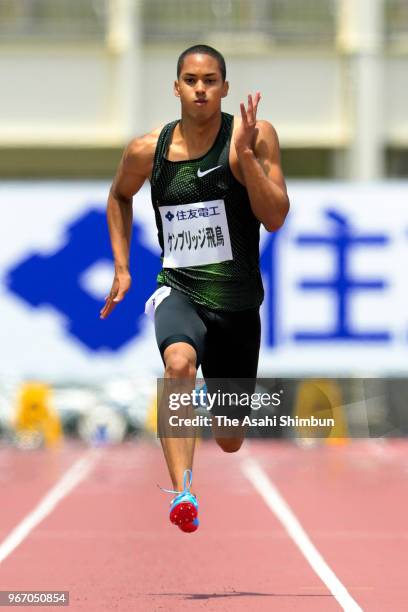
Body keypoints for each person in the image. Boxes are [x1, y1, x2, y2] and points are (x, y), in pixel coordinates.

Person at [100, 44, 289, 533]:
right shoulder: (148, 150)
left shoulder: (254, 135)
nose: (200, 89)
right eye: (191, 79)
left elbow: (275, 216)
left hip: (237, 302)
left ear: (225, 88)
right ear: (176, 87)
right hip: (177, 288)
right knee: (177, 363)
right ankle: (183, 492)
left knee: (229, 437)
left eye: (210, 80)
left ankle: (207, 394)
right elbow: (119, 195)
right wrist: (123, 267)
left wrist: (244, 158)